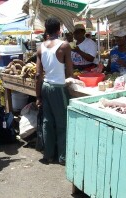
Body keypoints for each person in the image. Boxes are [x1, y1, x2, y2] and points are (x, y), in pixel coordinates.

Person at [35, 17, 73, 165]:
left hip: (45, 86)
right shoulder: (64, 46)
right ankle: (63, 157)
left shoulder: (40, 47)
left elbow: (38, 74)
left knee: (47, 122)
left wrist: (38, 95)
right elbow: (69, 72)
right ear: (59, 30)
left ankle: (48, 154)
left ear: (46, 30)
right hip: (58, 88)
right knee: (62, 123)